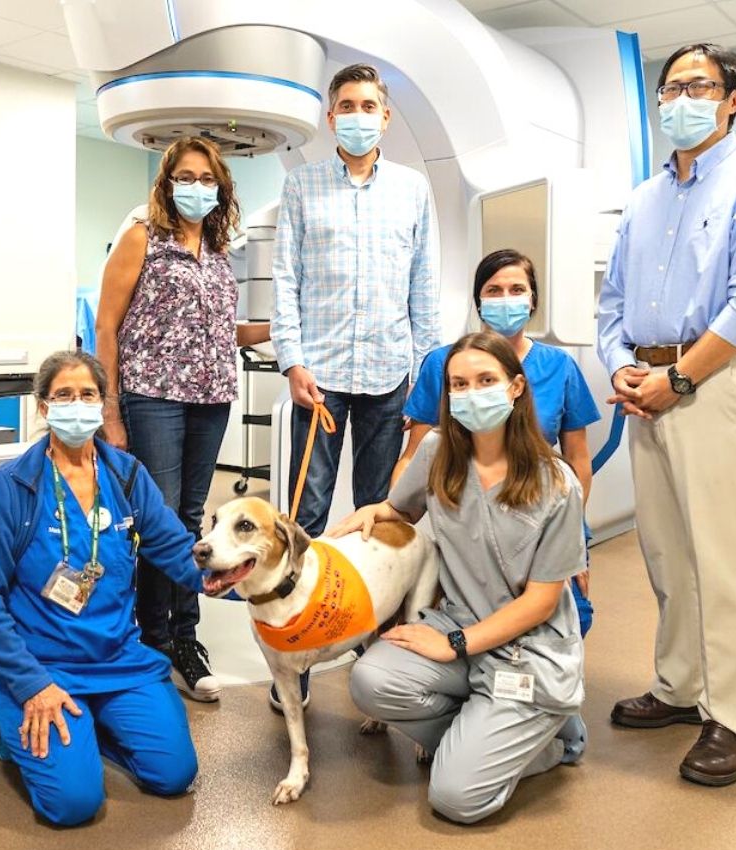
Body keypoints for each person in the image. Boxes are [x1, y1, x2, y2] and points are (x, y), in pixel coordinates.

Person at [597, 43, 736, 786]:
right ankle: (680, 687)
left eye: (698, 86)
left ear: (731, 98)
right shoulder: (644, 200)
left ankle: (734, 719)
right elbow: (611, 302)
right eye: (671, 87)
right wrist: (621, 364)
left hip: (714, 384)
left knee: (722, 560)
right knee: (666, 555)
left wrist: (678, 378)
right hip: (645, 384)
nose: (681, 98)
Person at [333, 332, 587, 825]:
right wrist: (373, 512)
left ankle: (552, 741)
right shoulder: (436, 452)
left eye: (486, 380)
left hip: (526, 651)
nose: (472, 394)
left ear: (515, 387)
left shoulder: (557, 484)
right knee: (371, 681)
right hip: (459, 625)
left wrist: (455, 642)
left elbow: (540, 603)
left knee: (455, 799)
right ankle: (490, 733)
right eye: (459, 385)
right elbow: (399, 509)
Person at [0, 351, 213, 826]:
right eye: (63, 395)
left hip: (120, 660)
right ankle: (13, 718)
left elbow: (179, 552)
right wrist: (33, 684)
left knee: (174, 775)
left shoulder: (125, 475)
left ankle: (92, 726)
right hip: (44, 668)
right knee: (73, 805)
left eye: (87, 395)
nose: (76, 405)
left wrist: (243, 578)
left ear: (103, 404)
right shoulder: (14, 487)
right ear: (42, 407)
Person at [270, 62, 439, 709]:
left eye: (369, 105)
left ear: (385, 116)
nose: (358, 114)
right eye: (347, 104)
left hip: (390, 374)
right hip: (321, 377)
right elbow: (285, 280)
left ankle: (377, 657)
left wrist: (424, 374)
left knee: (381, 517)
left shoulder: (412, 190)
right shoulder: (303, 187)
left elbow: (423, 284)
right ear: (330, 115)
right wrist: (292, 361)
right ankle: (298, 661)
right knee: (305, 519)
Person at [95, 137, 268, 703]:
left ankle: (185, 638)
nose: (196, 186)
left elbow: (222, 332)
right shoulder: (141, 238)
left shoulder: (219, 252)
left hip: (211, 396)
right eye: (186, 176)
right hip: (153, 395)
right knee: (159, 517)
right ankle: (154, 641)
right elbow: (106, 326)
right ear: (167, 181)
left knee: (193, 519)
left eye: (206, 177)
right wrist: (111, 409)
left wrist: (275, 329)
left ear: (221, 188)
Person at [394, 249, 600, 635]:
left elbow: (578, 462)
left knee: (571, 618)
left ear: (533, 300)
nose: (506, 299)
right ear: (479, 302)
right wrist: (395, 513)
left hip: (537, 515)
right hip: (465, 521)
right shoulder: (443, 364)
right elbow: (412, 457)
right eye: (494, 290)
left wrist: (571, 541)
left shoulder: (560, 366)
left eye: (516, 289)